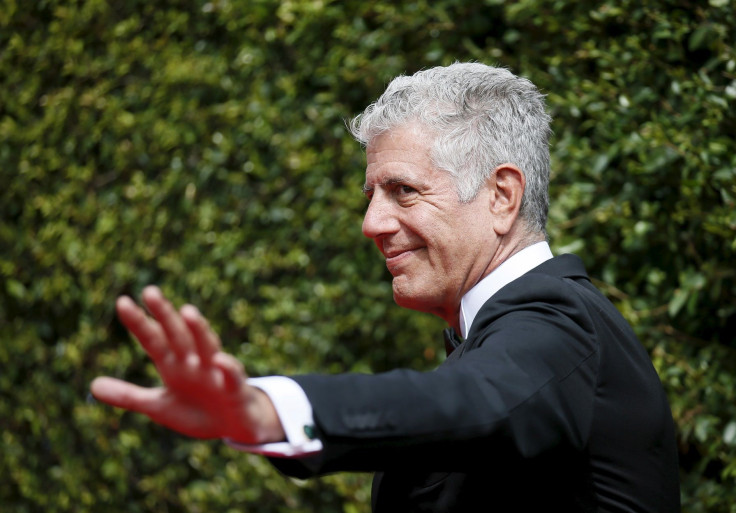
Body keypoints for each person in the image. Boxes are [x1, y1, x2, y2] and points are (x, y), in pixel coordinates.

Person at [91, 62, 680, 512]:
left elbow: (474, 403)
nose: (372, 224)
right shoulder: (497, 336)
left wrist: (272, 409)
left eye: (404, 191)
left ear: (503, 195)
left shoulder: (558, 321)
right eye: (371, 196)